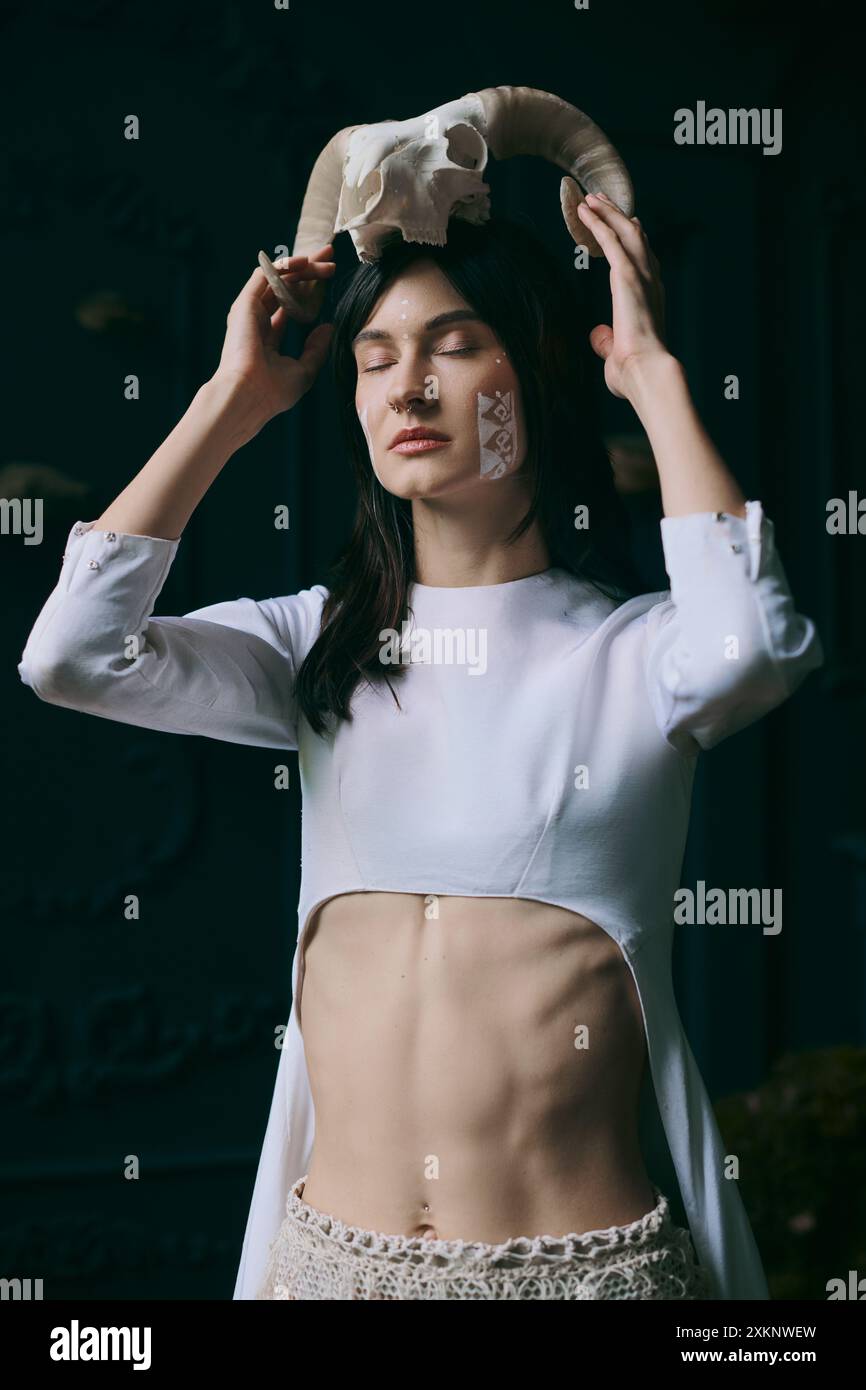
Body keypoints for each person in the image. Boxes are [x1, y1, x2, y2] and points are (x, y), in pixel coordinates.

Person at [18, 205, 823, 1301]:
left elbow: (755, 645)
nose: (406, 387)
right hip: (329, 1270)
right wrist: (233, 401)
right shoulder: (318, 645)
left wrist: (646, 370)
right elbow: (72, 654)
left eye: (453, 345)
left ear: (537, 368)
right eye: (374, 357)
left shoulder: (633, 653)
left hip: (579, 1279)